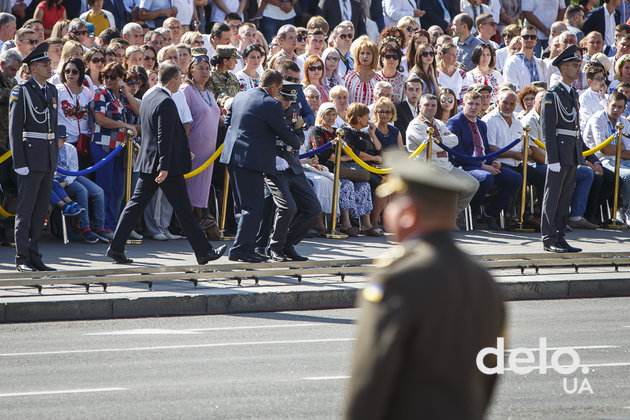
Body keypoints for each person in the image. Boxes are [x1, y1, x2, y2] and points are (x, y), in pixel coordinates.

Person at [345, 150, 505, 420]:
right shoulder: (483, 279)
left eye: (392, 201)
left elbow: (371, 377)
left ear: (408, 212)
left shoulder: (397, 277)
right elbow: (491, 369)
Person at [106, 63, 226, 265]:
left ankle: (116, 247)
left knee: (135, 205)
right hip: (166, 166)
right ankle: (204, 251)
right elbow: (164, 137)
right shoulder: (166, 102)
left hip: (149, 162)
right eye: (179, 79)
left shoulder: (150, 96)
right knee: (184, 210)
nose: (181, 83)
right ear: (172, 80)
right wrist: (164, 166)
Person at [220, 69, 301, 263]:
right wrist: (296, 139)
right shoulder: (270, 103)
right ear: (273, 86)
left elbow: (228, 122)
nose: (279, 93)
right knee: (253, 207)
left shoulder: (240, 96)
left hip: (233, 156)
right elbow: (282, 130)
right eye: (279, 89)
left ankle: (245, 246)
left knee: (242, 207)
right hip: (251, 159)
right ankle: (240, 250)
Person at [256, 82, 321, 261]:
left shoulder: (293, 110)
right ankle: (275, 247)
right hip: (275, 165)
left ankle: (287, 244)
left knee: (313, 208)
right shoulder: (269, 110)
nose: (288, 103)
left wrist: (297, 135)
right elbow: (261, 138)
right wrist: (273, 155)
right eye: (285, 99)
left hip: (293, 164)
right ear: (277, 95)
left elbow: (299, 137)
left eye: (291, 100)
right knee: (287, 207)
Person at [9, 42, 58, 271]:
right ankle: (22, 258)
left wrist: (54, 159)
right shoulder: (21, 91)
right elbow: (14, 129)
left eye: (49, 63)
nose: (49, 67)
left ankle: (35, 255)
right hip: (30, 157)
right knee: (26, 210)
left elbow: (54, 128)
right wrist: (19, 162)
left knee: (41, 211)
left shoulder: (51, 90)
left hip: (47, 158)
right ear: (33, 68)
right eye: (44, 64)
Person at [447, 90, 522, 231]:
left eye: (477, 104)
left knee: (515, 178)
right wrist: (482, 165)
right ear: (463, 104)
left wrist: (494, 161)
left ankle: (489, 214)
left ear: (482, 106)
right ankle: (474, 213)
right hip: (465, 166)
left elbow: (485, 149)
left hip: (484, 164)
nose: (474, 107)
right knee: (486, 178)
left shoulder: (481, 124)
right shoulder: (455, 123)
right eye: (470, 104)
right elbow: (457, 154)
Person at [407, 93, 479, 225]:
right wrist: (443, 142)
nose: (430, 108)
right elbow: (433, 146)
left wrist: (440, 140)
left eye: (433, 105)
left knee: (472, 183)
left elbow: (455, 140)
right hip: (426, 167)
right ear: (419, 107)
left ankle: (449, 216)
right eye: (426, 105)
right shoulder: (415, 125)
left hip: (445, 166)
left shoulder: (439, 123)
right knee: (450, 183)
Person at [541, 45, 585, 253]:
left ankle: (560, 235)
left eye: (578, 65)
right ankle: (549, 237)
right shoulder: (552, 95)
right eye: (574, 66)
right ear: (563, 68)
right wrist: (552, 158)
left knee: (565, 197)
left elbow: (575, 126)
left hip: (571, 152)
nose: (578, 70)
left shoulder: (572, 93)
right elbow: (548, 129)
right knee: (553, 197)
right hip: (559, 152)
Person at [180, 48, 221, 239]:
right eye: (200, 68)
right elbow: (182, 118)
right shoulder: (186, 90)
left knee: (203, 187)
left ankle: (202, 222)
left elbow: (216, 116)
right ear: (191, 71)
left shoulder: (208, 91)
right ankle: (188, 225)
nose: (204, 72)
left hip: (209, 151)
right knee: (191, 186)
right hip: (193, 148)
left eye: (207, 68)